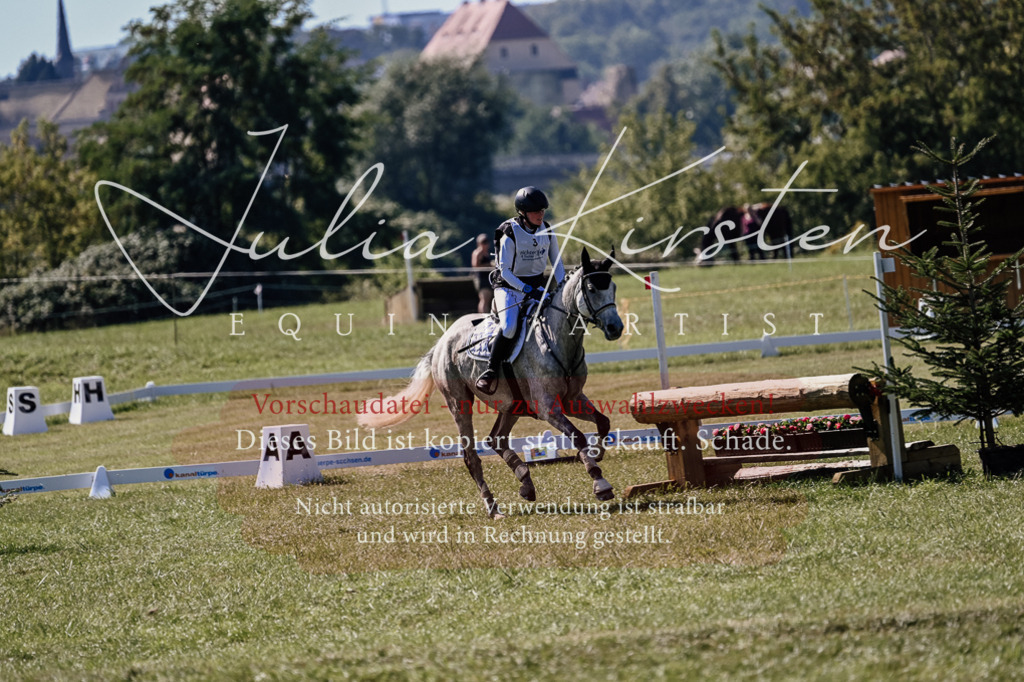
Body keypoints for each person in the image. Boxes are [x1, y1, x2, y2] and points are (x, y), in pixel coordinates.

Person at [476, 186, 567, 395]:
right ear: (523, 212)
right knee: (509, 327)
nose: (540, 215)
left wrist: (562, 288)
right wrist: (527, 289)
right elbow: (504, 271)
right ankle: (491, 370)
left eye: (543, 210)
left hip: (536, 287)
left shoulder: (547, 229)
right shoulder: (509, 232)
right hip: (508, 287)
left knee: (557, 319)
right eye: (536, 211)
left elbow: (558, 264)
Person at [470, 233, 494, 314]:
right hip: (481, 279)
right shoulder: (478, 253)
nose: (485, 244)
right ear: (478, 243)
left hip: (487, 278)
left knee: (487, 299)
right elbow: (475, 265)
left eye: (486, 242)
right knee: (484, 299)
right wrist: (490, 265)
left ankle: (485, 315)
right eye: (483, 242)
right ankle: (483, 316)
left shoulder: (486, 253)